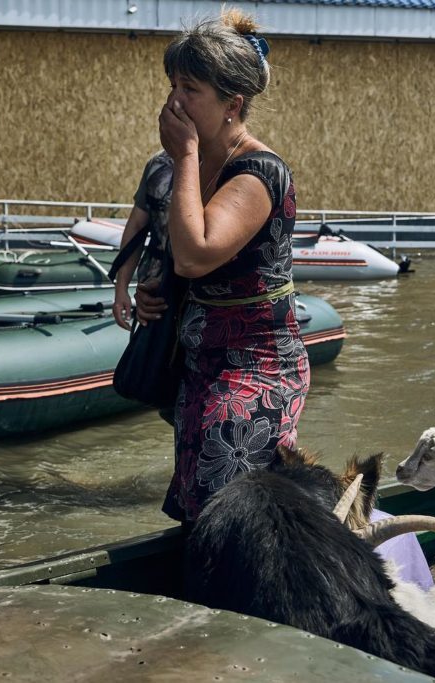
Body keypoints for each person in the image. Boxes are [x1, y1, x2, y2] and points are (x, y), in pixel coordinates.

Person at [126, 11, 310, 523]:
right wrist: (150, 289)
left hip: (256, 366)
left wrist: (183, 155)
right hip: (200, 361)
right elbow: (174, 256)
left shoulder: (258, 172)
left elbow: (196, 251)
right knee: (193, 504)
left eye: (191, 89)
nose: (174, 102)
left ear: (233, 103)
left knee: (224, 506)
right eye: (172, 85)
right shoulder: (191, 163)